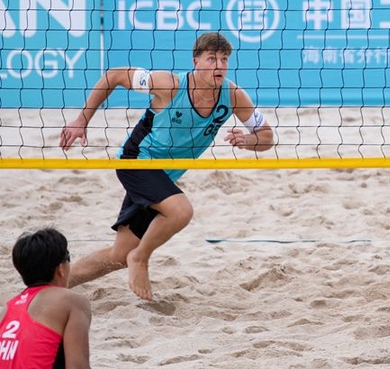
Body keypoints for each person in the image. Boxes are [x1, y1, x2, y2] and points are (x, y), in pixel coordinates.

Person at [58, 32, 276, 301]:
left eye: (224, 59)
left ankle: (51, 288)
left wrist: (248, 140)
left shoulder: (232, 96)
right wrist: (82, 119)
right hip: (136, 160)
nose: (219, 65)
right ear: (196, 61)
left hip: (163, 175)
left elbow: (267, 137)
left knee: (118, 255)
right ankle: (141, 258)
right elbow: (114, 75)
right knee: (180, 211)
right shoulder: (168, 84)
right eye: (211, 59)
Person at [1, 227, 92, 369]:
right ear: (60, 269)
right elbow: (78, 366)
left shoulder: (6, 310)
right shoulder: (71, 301)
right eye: (68, 257)